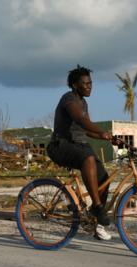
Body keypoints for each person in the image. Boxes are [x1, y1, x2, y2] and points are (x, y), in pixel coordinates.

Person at [46, 65, 117, 240]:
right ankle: (99, 208)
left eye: (90, 83)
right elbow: (80, 119)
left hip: (78, 145)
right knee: (89, 158)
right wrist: (101, 131)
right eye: (85, 83)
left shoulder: (83, 103)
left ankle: (96, 222)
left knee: (104, 179)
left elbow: (85, 130)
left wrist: (106, 137)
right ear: (75, 85)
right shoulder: (69, 99)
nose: (89, 86)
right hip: (60, 145)